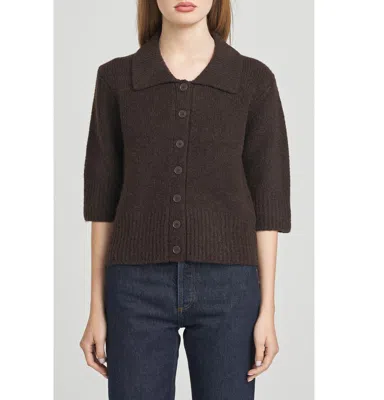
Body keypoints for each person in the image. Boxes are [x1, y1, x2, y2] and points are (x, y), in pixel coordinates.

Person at [80, 1, 291, 399]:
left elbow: (269, 204)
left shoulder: (253, 80)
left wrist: (267, 310)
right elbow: (102, 203)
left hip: (230, 289)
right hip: (135, 288)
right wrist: (96, 307)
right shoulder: (117, 79)